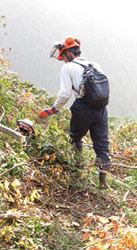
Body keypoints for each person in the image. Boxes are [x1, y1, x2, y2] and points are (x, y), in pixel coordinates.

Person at [39, 37, 111, 189]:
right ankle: (103, 183)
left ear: (68, 54)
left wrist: (53, 109)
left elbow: (65, 93)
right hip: (101, 109)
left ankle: (77, 168)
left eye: (63, 57)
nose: (63, 60)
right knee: (102, 146)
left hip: (83, 107)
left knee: (75, 137)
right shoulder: (95, 65)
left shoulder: (68, 68)